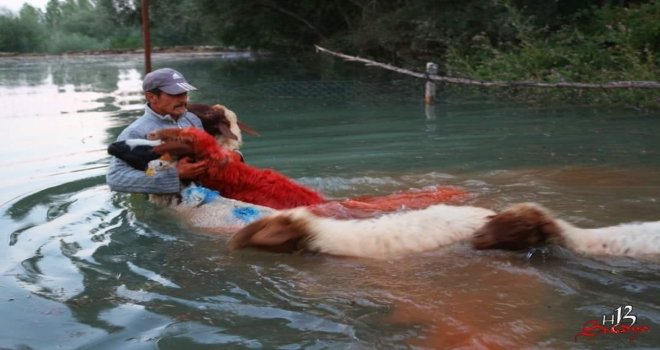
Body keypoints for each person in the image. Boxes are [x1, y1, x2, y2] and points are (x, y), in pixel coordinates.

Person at [106, 68, 208, 194]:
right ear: (151, 97)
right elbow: (116, 178)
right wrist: (176, 174)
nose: (183, 100)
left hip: (201, 190)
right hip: (166, 201)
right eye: (175, 95)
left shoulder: (192, 120)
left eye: (184, 93)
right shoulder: (135, 132)